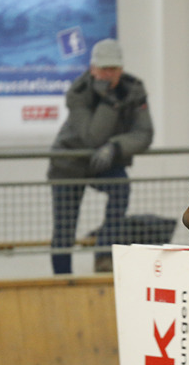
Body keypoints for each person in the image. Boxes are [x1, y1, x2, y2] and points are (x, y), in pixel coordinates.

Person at [48, 38, 153, 274]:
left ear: (121, 69)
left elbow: (145, 133)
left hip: (105, 160)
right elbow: (92, 138)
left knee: (121, 188)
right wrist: (109, 101)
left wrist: (115, 146)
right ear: (92, 68)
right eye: (104, 68)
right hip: (68, 163)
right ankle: (62, 280)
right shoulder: (78, 91)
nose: (108, 74)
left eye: (113, 68)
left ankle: (104, 253)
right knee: (65, 228)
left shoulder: (134, 88)